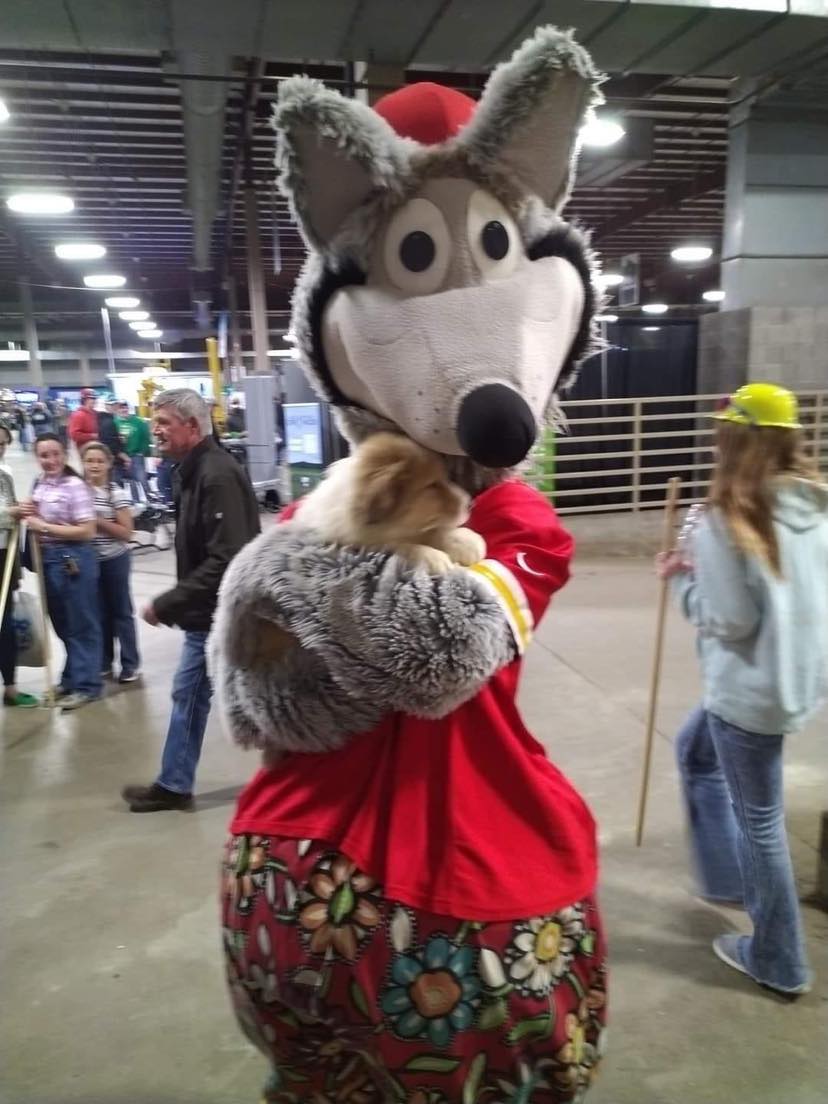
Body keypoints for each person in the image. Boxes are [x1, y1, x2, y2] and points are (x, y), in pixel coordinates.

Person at [658, 383, 827, 997]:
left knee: (761, 823)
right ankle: (727, 878)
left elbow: (729, 620)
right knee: (694, 751)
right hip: (792, 678)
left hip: (750, 691)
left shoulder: (727, 518)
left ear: (732, 438)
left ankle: (779, 959)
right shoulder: (816, 500)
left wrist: (681, 581)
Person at [121, 388, 259, 812]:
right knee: (213, 696)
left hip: (217, 614)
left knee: (192, 694)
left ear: (193, 427)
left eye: (163, 423)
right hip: (212, 612)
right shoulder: (193, 470)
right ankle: (175, 782)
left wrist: (168, 603)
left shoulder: (214, 475)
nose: (155, 431)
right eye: (154, 422)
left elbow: (226, 559)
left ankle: (174, 785)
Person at [18, 433, 102, 711]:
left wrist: (43, 526)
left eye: (55, 454)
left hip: (73, 559)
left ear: (65, 455)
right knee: (63, 625)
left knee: (82, 624)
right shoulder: (39, 483)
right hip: (48, 561)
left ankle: (88, 685)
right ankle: (72, 678)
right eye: (44, 455)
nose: (50, 460)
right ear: (37, 458)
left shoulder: (75, 486)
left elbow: (87, 531)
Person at [81, 442, 141, 684]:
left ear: (108, 464)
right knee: (100, 613)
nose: (94, 465)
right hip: (88, 562)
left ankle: (130, 664)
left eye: (99, 461)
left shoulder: (117, 494)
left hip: (115, 560)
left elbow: (127, 533)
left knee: (121, 613)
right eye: (89, 461)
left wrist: (96, 521)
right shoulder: (78, 492)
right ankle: (105, 662)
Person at [0, 424, 39, 708]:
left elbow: (12, 512)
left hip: (4, 556)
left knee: (5, 623)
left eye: (3, 443)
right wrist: (10, 513)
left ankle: (11, 687)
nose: (0, 448)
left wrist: (20, 512)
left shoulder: (5, 474)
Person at [115, 401, 151, 495]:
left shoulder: (138, 422)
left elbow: (146, 437)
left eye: (125, 407)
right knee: (131, 481)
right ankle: (135, 502)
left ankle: (151, 499)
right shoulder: (115, 422)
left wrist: (143, 451)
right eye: (121, 408)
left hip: (137, 455)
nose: (124, 410)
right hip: (124, 456)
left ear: (128, 409)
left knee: (142, 479)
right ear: (118, 410)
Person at [97, 399, 129, 485]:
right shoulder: (108, 422)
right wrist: (123, 456)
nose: (115, 407)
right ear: (106, 407)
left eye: (116, 405)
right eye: (112, 405)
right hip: (113, 461)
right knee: (116, 487)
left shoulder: (106, 420)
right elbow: (110, 443)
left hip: (110, 460)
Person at [68, 389, 99, 453]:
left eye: (95, 398)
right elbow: (74, 435)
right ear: (84, 400)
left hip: (96, 447)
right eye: (92, 398)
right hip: (85, 450)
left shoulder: (95, 413)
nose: (94, 400)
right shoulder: (78, 415)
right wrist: (92, 436)